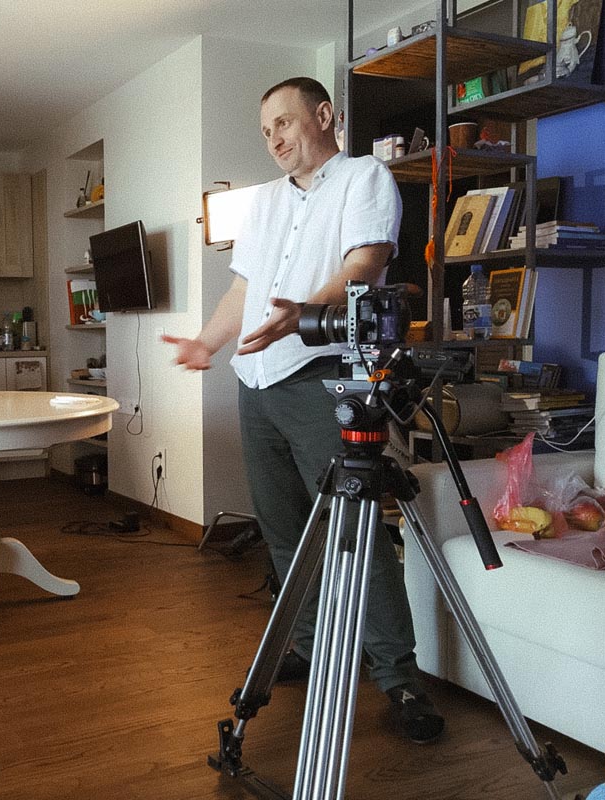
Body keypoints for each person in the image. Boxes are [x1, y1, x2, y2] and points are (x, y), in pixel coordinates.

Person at [163, 77, 444, 744]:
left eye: (284, 123)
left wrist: (307, 314)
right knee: (284, 529)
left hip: (320, 376)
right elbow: (244, 289)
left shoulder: (364, 177)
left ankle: (397, 674)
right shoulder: (261, 202)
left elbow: (366, 261)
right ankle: (311, 642)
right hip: (256, 382)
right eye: (266, 131)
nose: (275, 139)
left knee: (354, 531)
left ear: (323, 116)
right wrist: (206, 342)